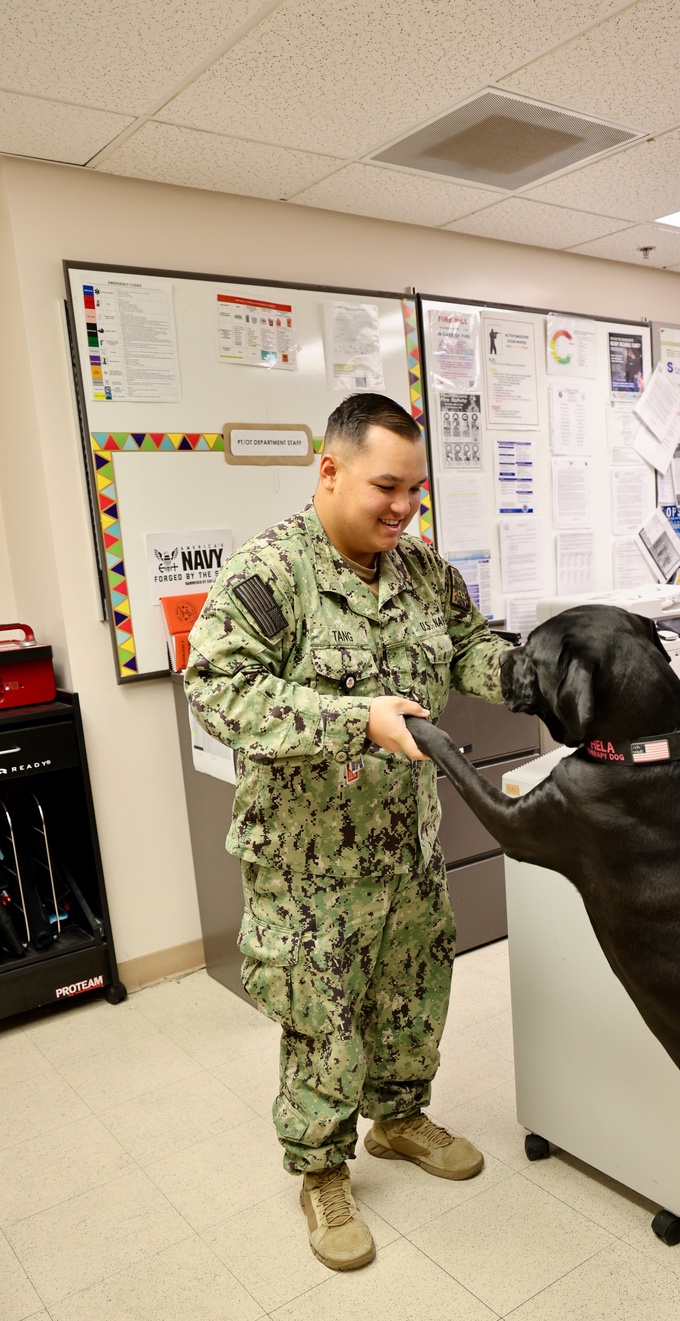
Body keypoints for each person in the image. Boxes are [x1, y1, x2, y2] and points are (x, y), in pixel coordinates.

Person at [185, 394, 510, 1271]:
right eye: (386, 486)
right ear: (330, 472)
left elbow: (467, 643)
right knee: (322, 1017)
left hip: (406, 844)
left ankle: (399, 1117)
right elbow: (219, 690)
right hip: (307, 863)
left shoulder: (422, 571)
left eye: (415, 489)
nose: (403, 507)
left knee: (413, 987)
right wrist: (352, 721)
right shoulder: (270, 573)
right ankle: (321, 1169)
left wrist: (531, 672)